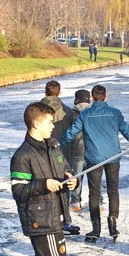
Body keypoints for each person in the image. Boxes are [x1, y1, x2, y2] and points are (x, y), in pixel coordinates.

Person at [11, 102, 78, 256]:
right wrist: (42, 185)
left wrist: (71, 181)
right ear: (36, 123)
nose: (53, 125)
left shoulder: (54, 146)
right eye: (50, 121)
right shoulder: (22, 156)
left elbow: (65, 170)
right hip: (42, 222)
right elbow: (18, 191)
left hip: (56, 217)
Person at [60, 84, 129, 243]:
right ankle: (113, 221)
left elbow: (71, 133)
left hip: (94, 158)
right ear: (105, 96)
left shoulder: (86, 114)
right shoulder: (115, 113)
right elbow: (128, 132)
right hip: (112, 157)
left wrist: (56, 148)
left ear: (92, 97)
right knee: (113, 190)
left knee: (94, 193)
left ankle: (96, 228)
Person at [39, 80, 80, 235]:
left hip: (42, 153)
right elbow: (73, 134)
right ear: (59, 92)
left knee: (46, 183)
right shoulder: (68, 112)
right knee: (65, 184)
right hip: (63, 154)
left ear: (45, 92)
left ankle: (49, 218)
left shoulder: (36, 111)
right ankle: (65, 220)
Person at [68, 89, 91, 212]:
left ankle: (75, 202)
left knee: (76, 178)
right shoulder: (93, 113)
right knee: (94, 178)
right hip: (93, 151)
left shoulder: (72, 114)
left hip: (77, 150)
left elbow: (69, 133)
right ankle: (98, 201)